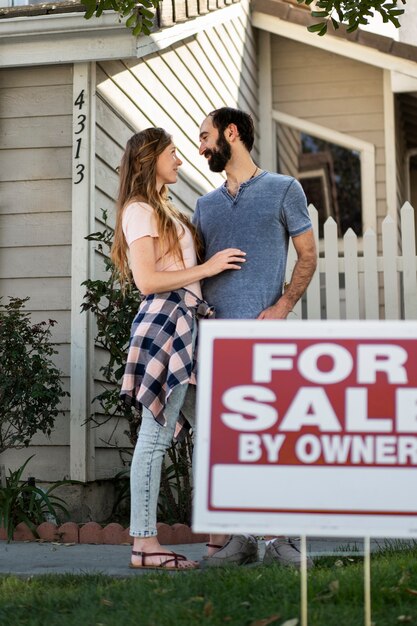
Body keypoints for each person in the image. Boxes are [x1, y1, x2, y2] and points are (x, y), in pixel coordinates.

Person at [111, 127, 246, 570]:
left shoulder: (161, 209)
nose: (181, 159)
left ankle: (217, 540)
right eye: (172, 153)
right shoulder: (139, 211)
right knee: (154, 438)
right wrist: (206, 267)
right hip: (165, 324)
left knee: (210, 436)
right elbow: (148, 281)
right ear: (151, 157)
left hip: (186, 324)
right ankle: (144, 546)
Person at [193, 107, 318, 568]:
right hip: (217, 346)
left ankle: (280, 538)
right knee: (232, 443)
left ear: (231, 133)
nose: (200, 145)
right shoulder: (204, 205)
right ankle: (242, 538)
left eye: (205, 135)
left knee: (275, 439)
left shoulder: (285, 189)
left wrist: (282, 306)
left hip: (267, 342)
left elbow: (307, 256)